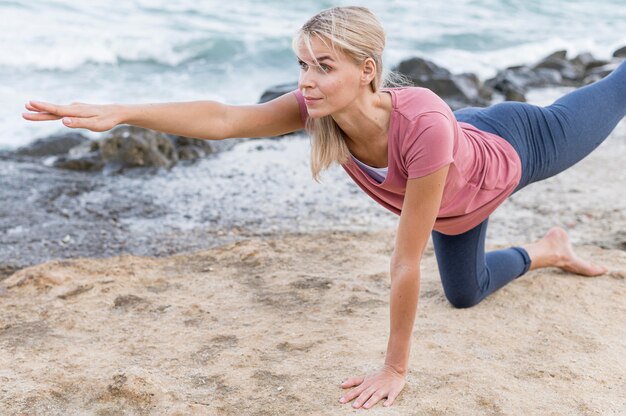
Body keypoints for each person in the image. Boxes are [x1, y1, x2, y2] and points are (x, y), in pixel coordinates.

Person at [22, 6, 626, 411]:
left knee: (614, 90)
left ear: (367, 72)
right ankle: (550, 250)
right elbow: (227, 118)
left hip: (512, 145)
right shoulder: (319, 111)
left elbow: (404, 261)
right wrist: (123, 111)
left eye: (323, 66)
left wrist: (394, 368)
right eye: (303, 65)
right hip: (456, 199)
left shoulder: (423, 129)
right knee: (465, 294)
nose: (307, 80)